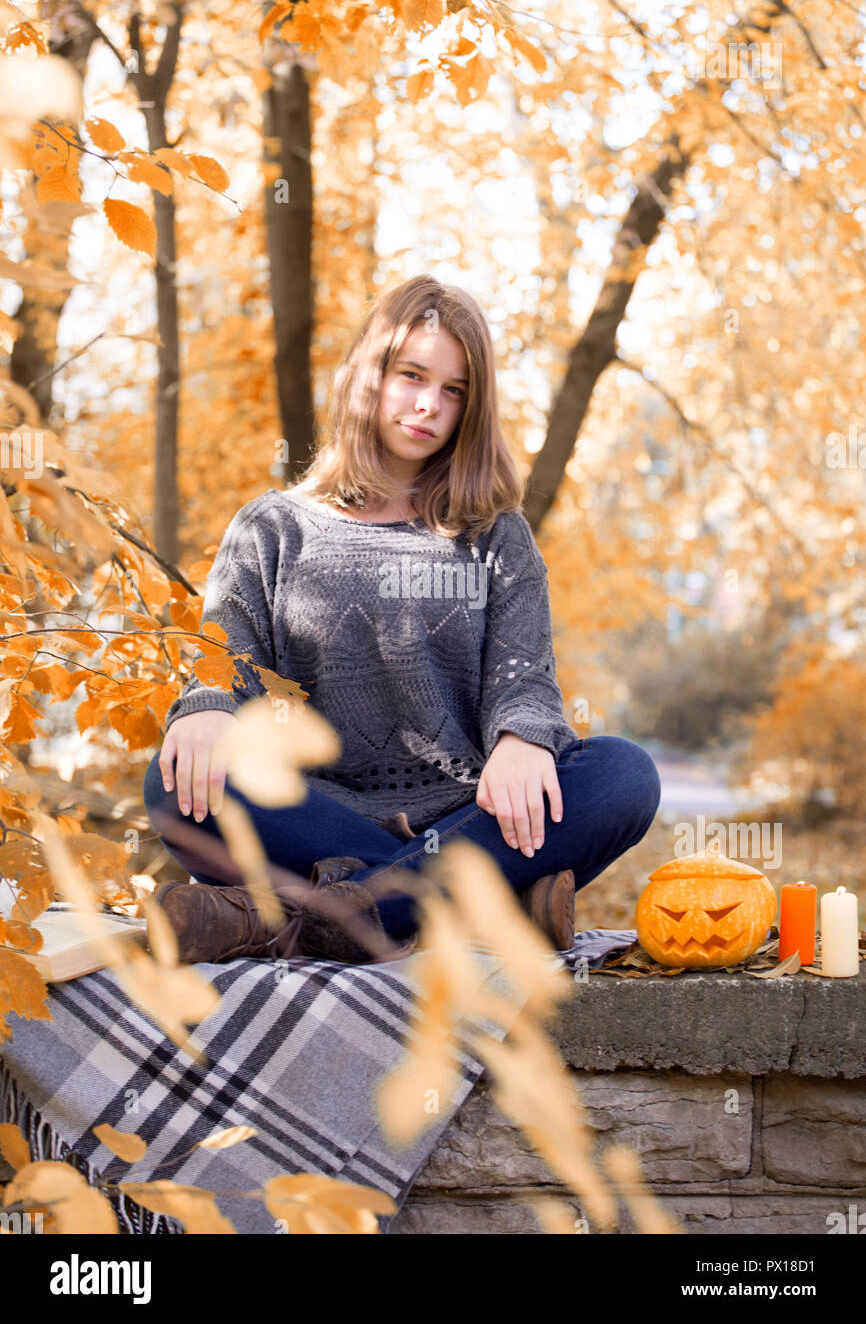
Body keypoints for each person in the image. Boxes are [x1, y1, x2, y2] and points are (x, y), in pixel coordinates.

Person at [142, 274, 661, 966]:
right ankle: (477, 908)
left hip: (470, 820)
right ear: (369, 374)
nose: (428, 405)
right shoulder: (270, 528)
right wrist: (204, 705)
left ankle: (323, 917)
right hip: (310, 816)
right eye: (412, 375)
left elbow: (524, 679)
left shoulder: (495, 538)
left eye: (455, 391)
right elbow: (221, 660)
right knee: (175, 785)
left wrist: (524, 739)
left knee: (622, 775)